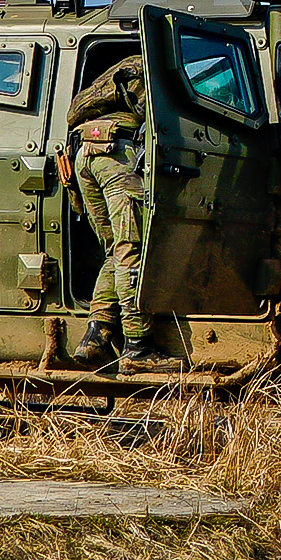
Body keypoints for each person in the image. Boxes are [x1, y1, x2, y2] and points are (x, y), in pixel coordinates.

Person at [63, 57, 181, 372]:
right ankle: (138, 348)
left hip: (85, 154)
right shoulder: (148, 68)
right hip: (116, 153)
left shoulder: (118, 72)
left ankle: (96, 336)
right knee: (133, 247)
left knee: (117, 249)